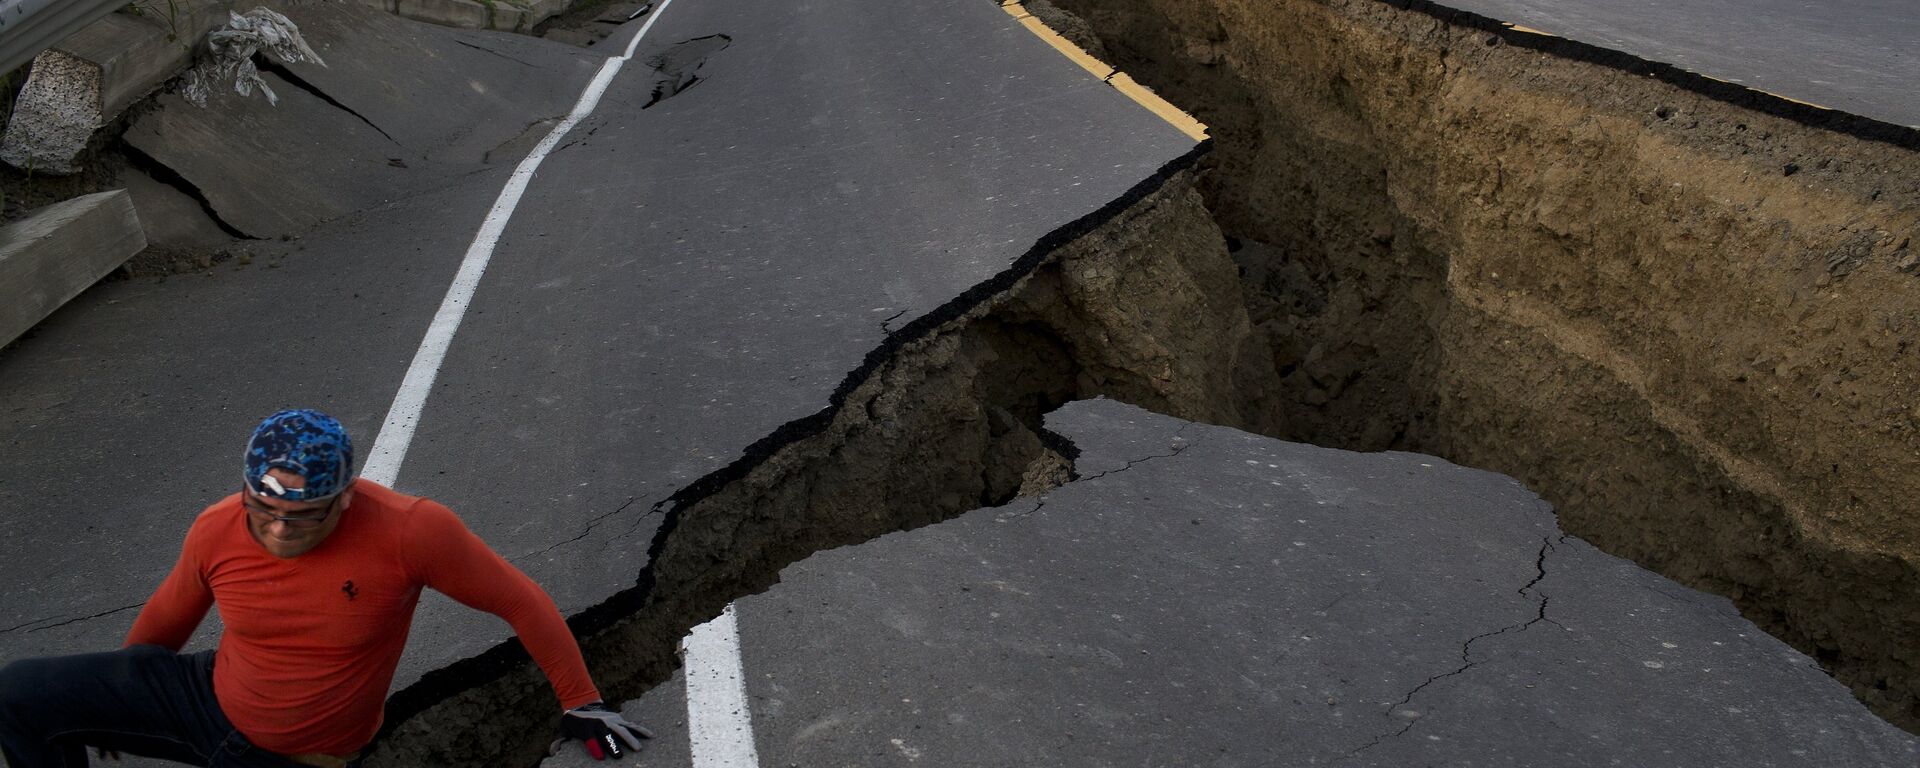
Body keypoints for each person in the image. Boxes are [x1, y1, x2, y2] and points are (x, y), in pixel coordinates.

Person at [0, 409, 651, 767]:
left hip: (300, 755)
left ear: (343, 499)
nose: (279, 530)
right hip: (208, 697)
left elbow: (519, 598)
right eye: (264, 510)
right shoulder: (217, 527)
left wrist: (580, 699)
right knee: (18, 696)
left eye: (302, 516)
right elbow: (165, 622)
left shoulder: (410, 531)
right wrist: (110, 708)